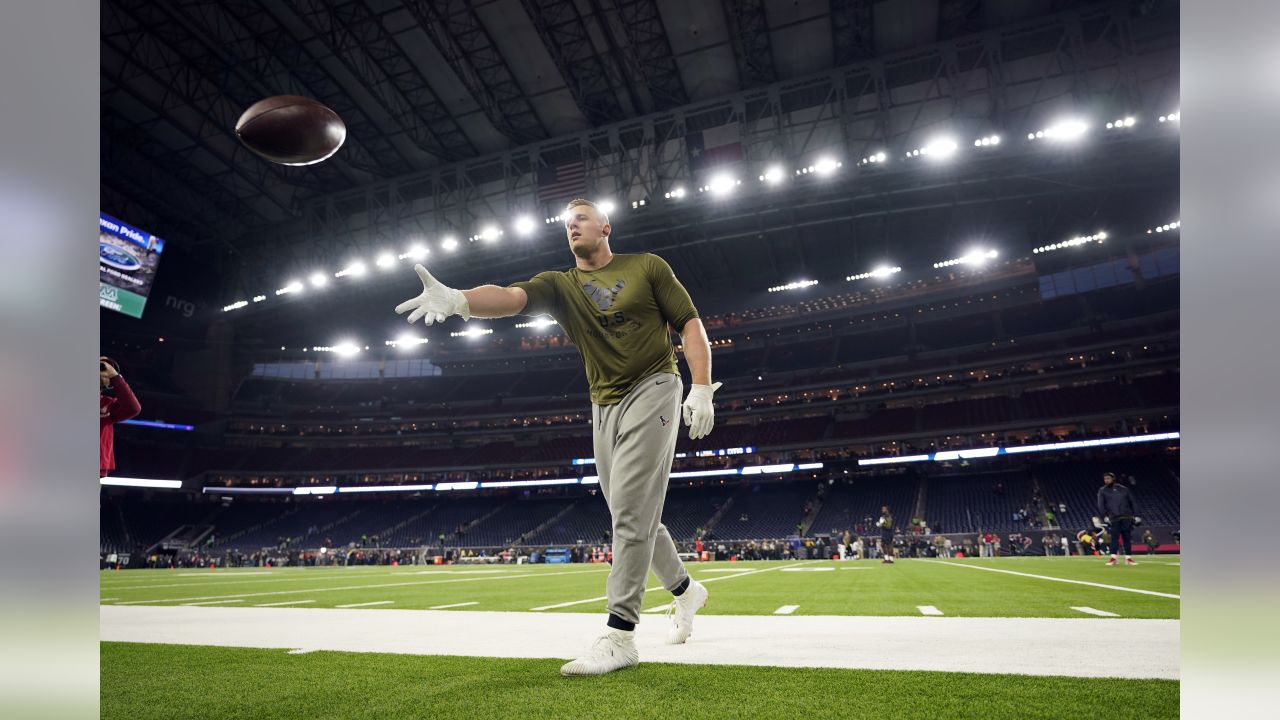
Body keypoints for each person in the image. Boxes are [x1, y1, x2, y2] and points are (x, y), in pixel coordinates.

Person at [395, 198, 719, 677]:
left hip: (655, 385)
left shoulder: (647, 267)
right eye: (568, 222)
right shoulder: (560, 285)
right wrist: (460, 300)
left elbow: (690, 324)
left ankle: (621, 633)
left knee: (630, 510)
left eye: (582, 218)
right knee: (631, 512)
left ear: (606, 227)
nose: (572, 226)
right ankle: (686, 591)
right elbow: (510, 297)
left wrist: (702, 387)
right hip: (602, 402)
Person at [99, 356, 140, 477]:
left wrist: (116, 377)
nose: (102, 372)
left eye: (104, 369)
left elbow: (133, 408)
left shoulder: (108, 404)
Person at [1097, 472, 1141, 566]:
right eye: (1105, 479)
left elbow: (1132, 502)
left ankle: (1128, 558)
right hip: (1113, 517)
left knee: (1127, 538)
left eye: (1108, 478)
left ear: (1113, 478)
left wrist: (1137, 515)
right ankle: (1113, 558)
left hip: (1126, 516)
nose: (1106, 480)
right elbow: (1101, 505)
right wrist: (1104, 516)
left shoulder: (1124, 489)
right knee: (1114, 538)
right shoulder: (1102, 490)